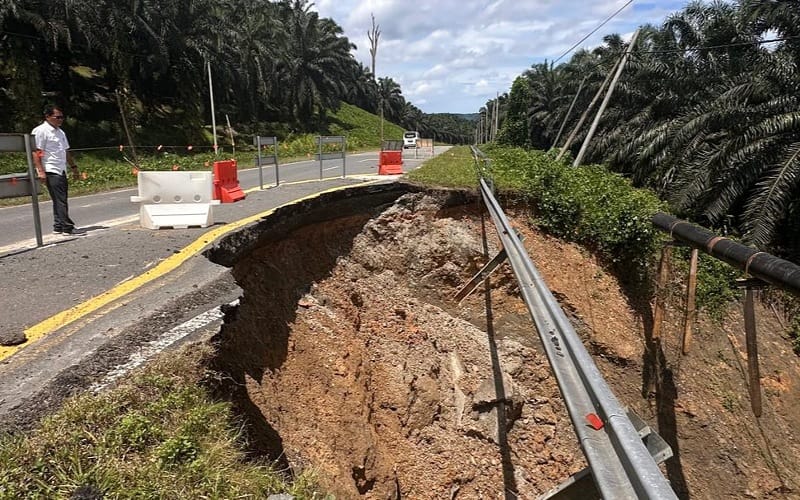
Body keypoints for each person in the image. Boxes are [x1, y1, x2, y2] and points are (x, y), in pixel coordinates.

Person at [32, 105, 80, 235]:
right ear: (47, 117)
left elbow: (66, 151)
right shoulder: (40, 131)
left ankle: (58, 226)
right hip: (50, 169)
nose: (60, 120)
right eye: (57, 117)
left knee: (59, 198)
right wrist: (40, 171)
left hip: (61, 169)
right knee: (60, 199)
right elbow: (36, 152)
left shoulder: (60, 132)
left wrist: (74, 168)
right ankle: (67, 227)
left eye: (62, 117)